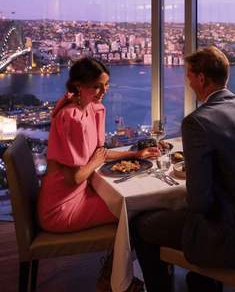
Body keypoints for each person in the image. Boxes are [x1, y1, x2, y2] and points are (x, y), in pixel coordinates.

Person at [132, 46, 235, 292]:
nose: (186, 80)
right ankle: (203, 281)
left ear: (202, 78)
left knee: (142, 225)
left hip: (227, 234)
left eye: (189, 75)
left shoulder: (197, 122)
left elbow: (200, 203)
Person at [37, 57, 158, 233]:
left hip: (82, 194)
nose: (103, 91)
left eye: (106, 84)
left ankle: (114, 259)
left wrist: (135, 155)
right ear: (78, 85)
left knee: (137, 203)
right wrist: (95, 161)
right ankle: (120, 260)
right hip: (61, 208)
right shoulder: (71, 118)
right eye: (96, 86)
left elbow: (99, 153)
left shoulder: (92, 108)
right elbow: (75, 178)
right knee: (138, 210)